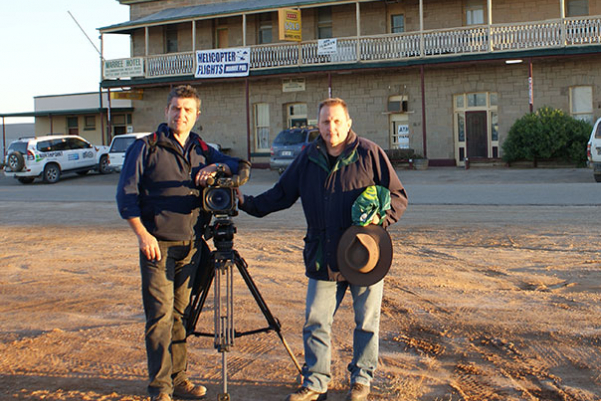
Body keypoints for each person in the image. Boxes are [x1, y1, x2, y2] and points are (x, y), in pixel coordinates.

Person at [238, 98, 408, 401]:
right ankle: (316, 380)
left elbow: (397, 196)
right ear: (318, 125)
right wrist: (245, 203)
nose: (331, 127)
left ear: (348, 123)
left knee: (367, 322)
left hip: (364, 255)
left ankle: (361, 380)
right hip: (323, 253)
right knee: (316, 320)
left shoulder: (369, 154)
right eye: (326, 122)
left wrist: (379, 219)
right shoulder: (307, 158)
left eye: (337, 121)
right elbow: (281, 194)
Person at [117, 85, 240, 401]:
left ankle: (179, 377)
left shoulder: (202, 149)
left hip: (193, 245)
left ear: (197, 114)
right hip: (157, 245)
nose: (180, 114)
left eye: (187, 110)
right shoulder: (145, 147)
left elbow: (239, 166)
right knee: (159, 315)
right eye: (175, 108)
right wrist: (143, 235)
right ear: (166, 111)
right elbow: (125, 197)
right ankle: (160, 387)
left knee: (181, 316)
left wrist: (216, 167)